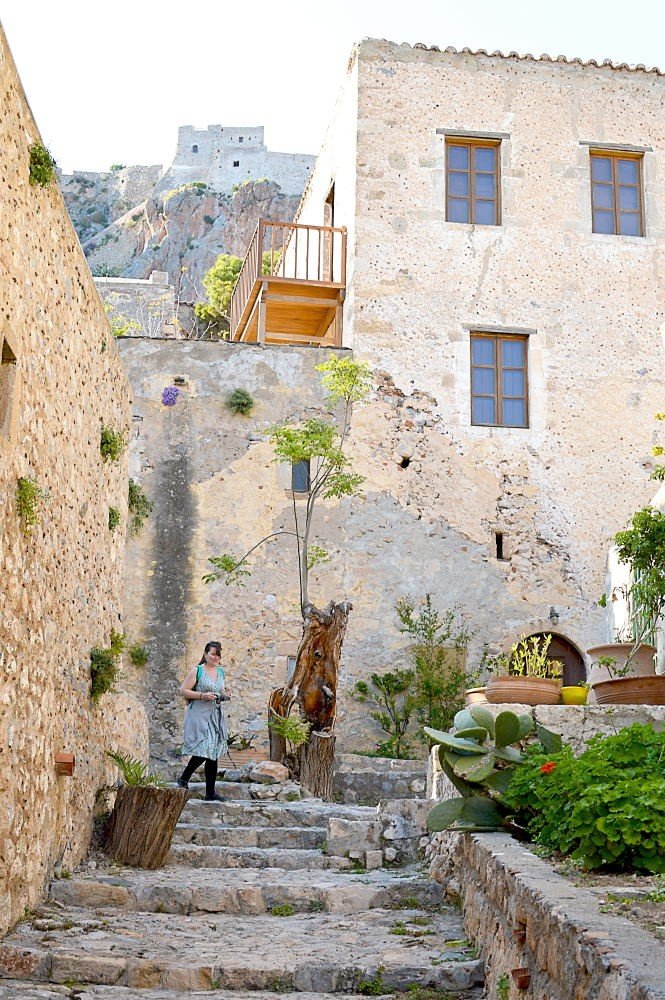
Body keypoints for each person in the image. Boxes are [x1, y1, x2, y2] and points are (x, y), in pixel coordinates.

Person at [177, 640, 229, 801]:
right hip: (199, 715)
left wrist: (225, 695)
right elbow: (183, 690)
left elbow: (221, 691)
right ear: (206, 654)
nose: (215, 657)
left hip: (215, 716)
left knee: (213, 752)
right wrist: (202, 696)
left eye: (218, 655)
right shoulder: (197, 670)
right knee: (204, 749)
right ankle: (184, 778)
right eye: (212, 654)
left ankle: (210, 793)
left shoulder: (221, 672)